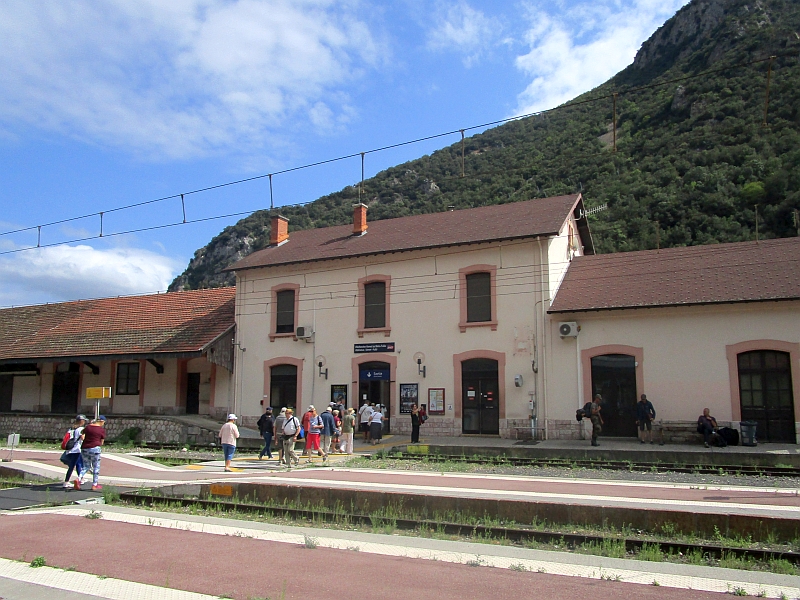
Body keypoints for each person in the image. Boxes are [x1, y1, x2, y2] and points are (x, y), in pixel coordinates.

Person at [81, 416, 107, 491]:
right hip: (95, 448)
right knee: (96, 467)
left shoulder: (88, 427)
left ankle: (79, 479)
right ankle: (94, 484)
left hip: (85, 448)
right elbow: (102, 442)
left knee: (86, 466)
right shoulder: (101, 430)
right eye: (103, 422)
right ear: (101, 421)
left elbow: (82, 434)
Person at [62, 417, 85, 489]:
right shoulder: (81, 429)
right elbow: (83, 438)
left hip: (71, 449)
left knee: (77, 464)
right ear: (81, 421)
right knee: (74, 466)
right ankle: (67, 482)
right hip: (77, 449)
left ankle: (80, 479)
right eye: (84, 421)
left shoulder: (71, 428)